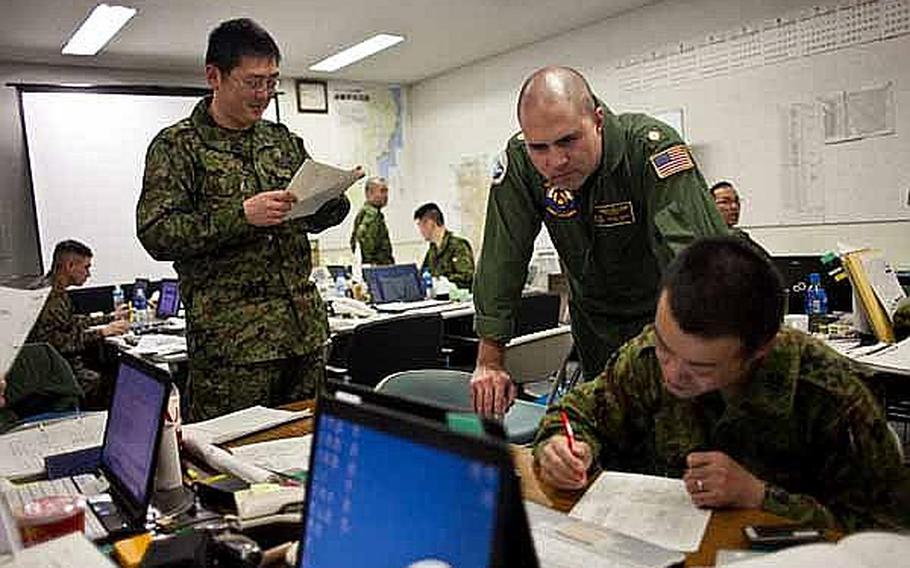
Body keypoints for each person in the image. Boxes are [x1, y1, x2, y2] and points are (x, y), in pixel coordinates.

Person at [534, 237, 910, 531]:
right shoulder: (649, 353)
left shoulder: (830, 395)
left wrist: (759, 495)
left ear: (759, 351)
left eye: (700, 367)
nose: (672, 373)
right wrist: (559, 447)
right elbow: (575, 413)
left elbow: (888, 530)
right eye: (666, 347)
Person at [472, 66, 727, 414]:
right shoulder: (520, 162)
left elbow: (699, 261)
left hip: (669, 322)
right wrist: (490, 358)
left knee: (680, 430)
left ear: (598, 120)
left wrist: (697, 344)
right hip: (594, 326)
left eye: (568, 140)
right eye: (539, 147)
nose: (555, 161)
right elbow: (503, 255)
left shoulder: (649, 149)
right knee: (609, 433)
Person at [137, 19, 353, 420]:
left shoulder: (281, 140)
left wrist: (331, 198)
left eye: (272, 82)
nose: (265, 95)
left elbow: (309, 220)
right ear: (213, 76)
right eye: (254, 83)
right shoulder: (177, 146)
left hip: (304, 335)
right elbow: (157, 233)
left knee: (305, 455)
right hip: (233, 350)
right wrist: (241, 216)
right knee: (227, 467)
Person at [27, 240, 129, 401]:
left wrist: (110, 317)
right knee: (119, 381)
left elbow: (68, 322)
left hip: (55, 367)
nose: (88, 274)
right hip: (59, 373)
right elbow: (53, 343)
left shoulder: (48, 287)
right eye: (86, 267)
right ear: (70, 266)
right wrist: (102, 332)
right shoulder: (52, 297)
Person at [414, 202, 475, 290]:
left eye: (421, 224)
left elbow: (467, 276)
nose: (420, 230)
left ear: (431, 222)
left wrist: (442, 280)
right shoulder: (432, 250)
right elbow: (423, 275)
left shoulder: (458, 246)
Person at [350, 177, 394, 265]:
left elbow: (354, 241)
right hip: (378, 268)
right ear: (369, 193)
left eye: (386, 191)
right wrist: (373, 264)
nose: (385, 195)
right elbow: (366, 244)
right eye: (382, 191)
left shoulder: (365, 211)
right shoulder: (372, 215)